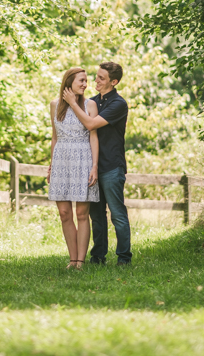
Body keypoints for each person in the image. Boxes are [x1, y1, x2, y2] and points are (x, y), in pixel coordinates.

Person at [62, 61, 131, 266]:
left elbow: (91, 124)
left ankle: (124, 258)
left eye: (101, 78)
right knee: (96, 216)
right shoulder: (90, 102)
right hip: (89, 168)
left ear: (114, 81)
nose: (96, 80)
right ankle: (98, 257)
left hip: (111, 166)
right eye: (97, 76)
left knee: (117, 214)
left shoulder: (118, 104)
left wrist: (73, 103)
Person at [47, 67, 100, 269]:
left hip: (83, 159)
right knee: (64, 213)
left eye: (86, 81)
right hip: (61, 161)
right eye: (82, 80)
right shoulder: (54, 105)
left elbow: (93, 136)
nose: (85, 84)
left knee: (81, 214)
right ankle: (71, 259)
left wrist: (94, 166)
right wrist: (51, 165)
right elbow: (54, 137)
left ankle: (80, 261)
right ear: (69, 82)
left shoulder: (90, 105)